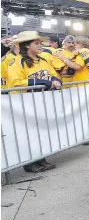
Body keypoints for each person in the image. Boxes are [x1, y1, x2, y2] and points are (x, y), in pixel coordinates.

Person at [10, 31, 62, 172]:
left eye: (40, 42)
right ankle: (29, 163)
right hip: (24, 103)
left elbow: (53, 75)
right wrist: (42, 82)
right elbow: (16, 83)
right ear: (27, 45)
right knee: (28, 133)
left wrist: (56, 80)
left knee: (41, 132)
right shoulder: (17, 61)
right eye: (37, 43)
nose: (41, 45)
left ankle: (41, 159)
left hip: (41, 103)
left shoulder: (43, 60)